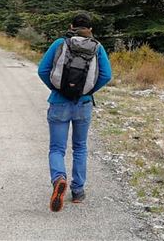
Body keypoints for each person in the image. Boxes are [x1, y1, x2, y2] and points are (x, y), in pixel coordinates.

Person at [37, 12, 112, 212]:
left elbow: (42, 70)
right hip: (83, 104)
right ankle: (78, 191)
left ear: (71, 26)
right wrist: (87, 91)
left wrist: (57, 88)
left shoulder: (60, 43)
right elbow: (106, 75)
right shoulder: (97, 47)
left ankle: (59, 179)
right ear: (90, 30)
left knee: (57, 148)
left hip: (59, 103)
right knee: (79, 147)